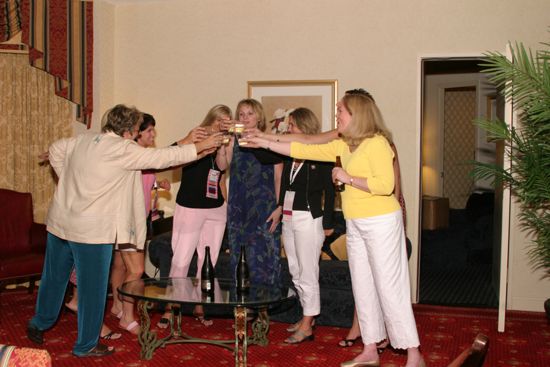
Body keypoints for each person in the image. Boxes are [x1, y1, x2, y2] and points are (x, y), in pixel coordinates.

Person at [27, 104, 222, 357]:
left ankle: (39, 322)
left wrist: (68, 181)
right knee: (92, 289)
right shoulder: (123, 148)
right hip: (91, 231)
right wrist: (200, 147)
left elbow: (55, 149)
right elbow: (163, 158)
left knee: (54, 278)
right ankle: (86, 345)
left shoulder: (81, 140)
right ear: (130, 130)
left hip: (60, 222)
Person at [245, 93, 425, 367]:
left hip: (381, 222)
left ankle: (414, 354)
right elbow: (300, 148)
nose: (336, 114)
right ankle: (370, 349)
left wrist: (348, 178)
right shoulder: (343, 145)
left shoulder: (377, 143)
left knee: (390, 288)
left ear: (357, 114)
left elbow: (385, 185)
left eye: (340, 110)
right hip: (356, 224)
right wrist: (264, 140)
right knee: (362, 287)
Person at [158, 104, 232, 328]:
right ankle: (171, 308)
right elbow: (171, 156)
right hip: (190, 206)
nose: (222, 124)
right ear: (211, 118)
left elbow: (221, 170)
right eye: (220, 120)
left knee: (208, 260)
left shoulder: (225, 143)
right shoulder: (196, 136)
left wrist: (221, 146)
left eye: (227, 121)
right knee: (181, 259)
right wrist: (197, 143)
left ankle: (201, 305)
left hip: (216, 209)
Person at [276, 108, 335, 344]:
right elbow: (285, 186)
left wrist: (329, 223)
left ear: (305, 127)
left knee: (308, 272)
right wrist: (280, 207)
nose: (288, 129)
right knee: (295, 270)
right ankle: (306, 316)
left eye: (292, 126)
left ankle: (308, 324)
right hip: (289, 217)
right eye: (288, 125)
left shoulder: (320, 155)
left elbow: (330, 193)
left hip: (309, 218)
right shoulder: (291, 153)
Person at [110, 113, 171, 334]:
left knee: (126, 265)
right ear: (136, 134)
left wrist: (158, 185)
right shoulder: (132, 157)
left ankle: (120, 306)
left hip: (140, 217)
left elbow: (145, 187)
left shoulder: (146, 157)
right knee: (128, 267)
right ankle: (122, 309)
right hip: (127, 219)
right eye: (149, 130)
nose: (153, 134)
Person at [224, 99, 283, 287]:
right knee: (239, 260)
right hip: (238, 210)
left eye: (250, 113)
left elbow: (278, 177)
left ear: (259, 117)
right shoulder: (232, 142)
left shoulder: (270, 140)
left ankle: (263, 311)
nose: (245, 118)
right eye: (241, 114)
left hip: (264, 209)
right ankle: (242, 310)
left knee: (264, 259)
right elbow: (221, 167)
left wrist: (279, 207)